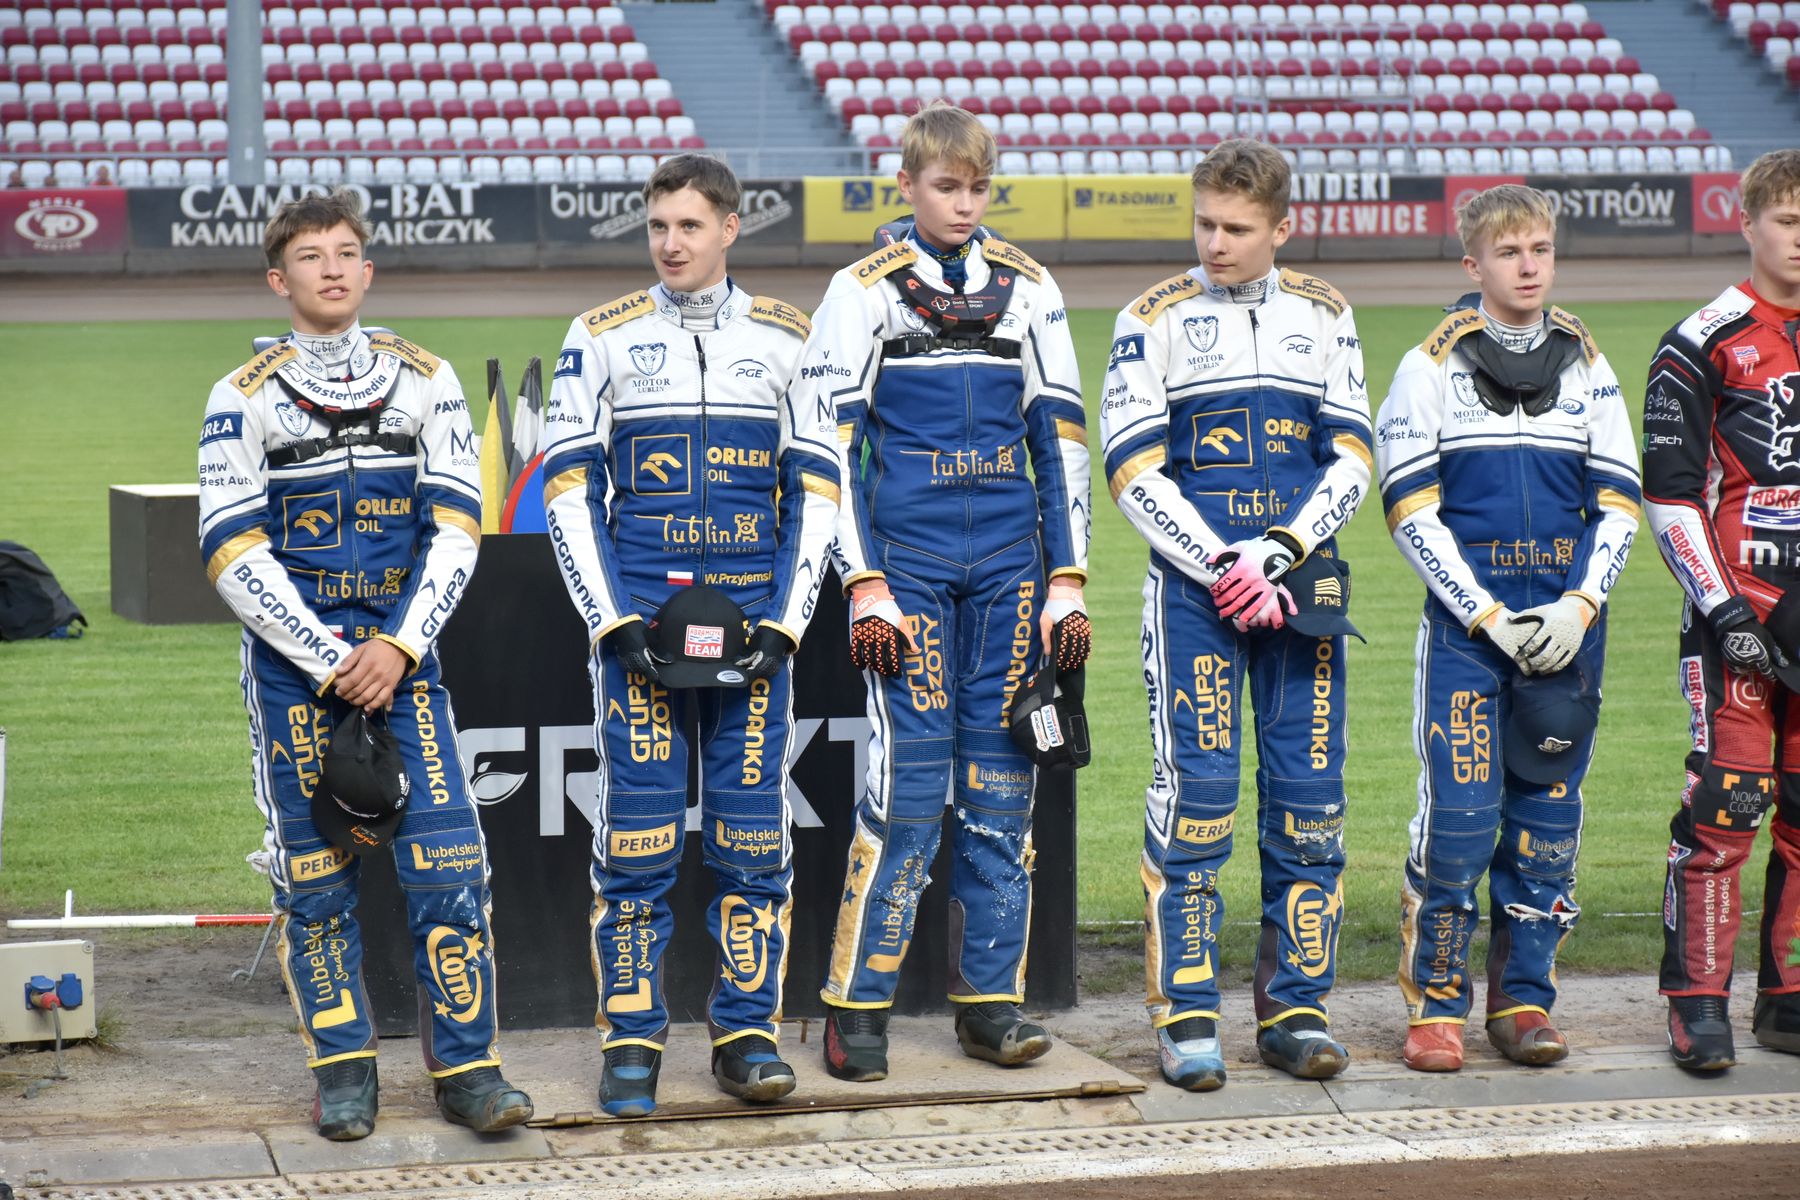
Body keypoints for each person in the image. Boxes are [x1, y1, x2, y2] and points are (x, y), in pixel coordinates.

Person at [196, 190, 532, 1141]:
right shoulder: (240, 394)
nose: (332, 268)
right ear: (279, 279)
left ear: (369, 269)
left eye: (347, 252)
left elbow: (458, 524)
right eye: (311, 257)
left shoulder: (428, 376)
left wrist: (396, 646)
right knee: (316, 884)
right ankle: (344, 1075)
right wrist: (332, 657)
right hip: (294, 674)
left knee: (451, 867)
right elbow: (229, 546)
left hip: (405, 661)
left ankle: (469, 1071)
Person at [541, 154, 840, 1116]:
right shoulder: (599, 335)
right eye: (658, 226)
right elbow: (567, 490)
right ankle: (632, 1042)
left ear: (730, 228)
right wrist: (612, 622)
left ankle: (746, 1037)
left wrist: (787, 625)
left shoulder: (792, 336)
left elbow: (818, 490)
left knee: (754, 843)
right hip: (640, 635)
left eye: (689, 226)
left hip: (754, 634)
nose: (670, 244)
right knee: (635, 846)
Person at [801, 102, 1092, 1082]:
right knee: (909, 793)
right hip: (910, 574)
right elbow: (829, 450)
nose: (963, 204)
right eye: (944, 186)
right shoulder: (859, 290)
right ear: (906, 185)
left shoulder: (1031, 287)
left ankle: (990, 1004)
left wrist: (1066, 580)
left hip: (1010, 574)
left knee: (1004, 792)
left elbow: (1059, 440)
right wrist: (864, 583)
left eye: (976, 188)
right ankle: (856, 1009)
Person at [1100, 139, 1371, 1091]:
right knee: (1199, 802)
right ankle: (1185, 1017)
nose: (1215, 243)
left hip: (1301, 591)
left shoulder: (1326, 312)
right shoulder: (1150, 318)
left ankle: (1297, 1013)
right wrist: (1224, 563)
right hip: (1194, 599)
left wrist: (1276, 554)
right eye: (1205, 224)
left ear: (1283, 229)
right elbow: (1131, 466)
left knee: (1310, 806)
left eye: (1238, 229)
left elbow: (1353, 457)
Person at [1375, 185, 1640, 1073]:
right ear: (1473, 264)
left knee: (1547, 826)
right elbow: (1408, 509)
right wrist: (1485, 613)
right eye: (1509, 252)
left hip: (1568, 630)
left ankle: (1524, 1000)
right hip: (1468, 633)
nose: (1529, 267)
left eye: (1541, 250)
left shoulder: (1588, 364)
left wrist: (1580, 604)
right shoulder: (1428, 367)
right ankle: (1436, 1007)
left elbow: (1619, 502)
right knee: (1458, 821)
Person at [1644, 148, 1800, 1071]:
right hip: (1739, 612)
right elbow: (1670, 496)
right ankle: (1696, 1003)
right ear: (1747, 224)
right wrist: (1726, 611)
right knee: (1726, 806)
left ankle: (1787, 997)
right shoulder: (1701, 338)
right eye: (1788, 221)